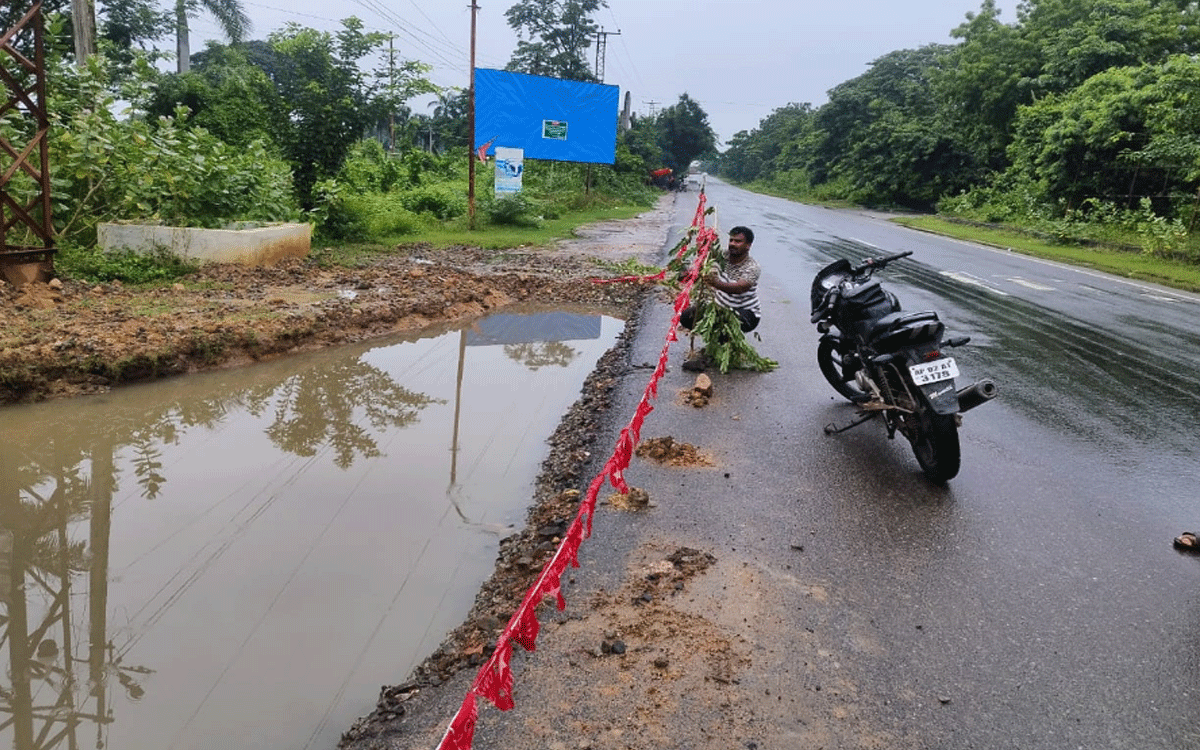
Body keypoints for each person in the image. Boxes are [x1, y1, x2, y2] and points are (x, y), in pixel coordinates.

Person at [679, 226, 761, 372]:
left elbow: (740, 287)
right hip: (719, 307)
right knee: (687, 316)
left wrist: (714, 283)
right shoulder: (722, 256)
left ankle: (712, 355)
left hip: (747, 313)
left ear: (748, 245)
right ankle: (718, 343)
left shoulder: (752, 267)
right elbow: (703, 258)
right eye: (731, 240)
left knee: (726, 324)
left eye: (738, 241)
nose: (733, 244)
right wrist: (689, 273)